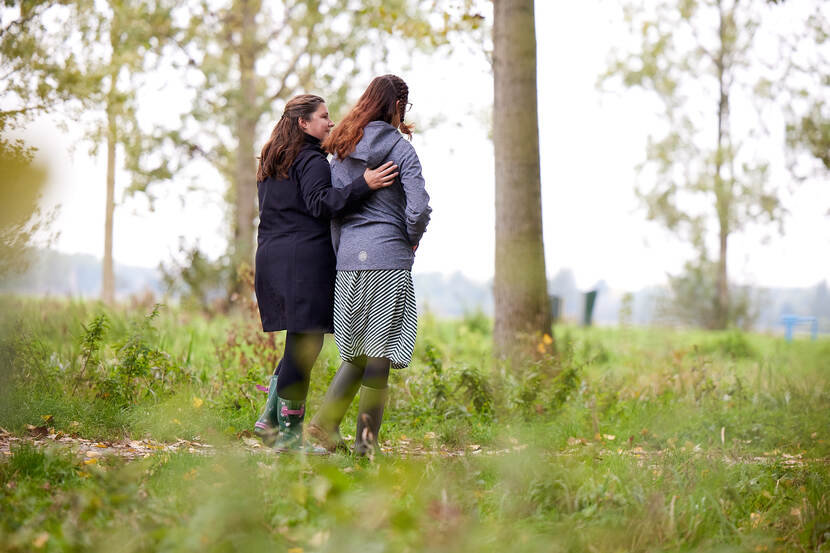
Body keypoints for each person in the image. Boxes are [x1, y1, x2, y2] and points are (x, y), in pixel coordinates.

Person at [253, 93, 398, 452]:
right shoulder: (311, 159)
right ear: (303, 123)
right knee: (307, 343)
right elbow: (321, 204)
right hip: (303, 261)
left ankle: (270, 421)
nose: (330, 123)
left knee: (297, 341)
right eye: (323, 117)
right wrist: (365, 183)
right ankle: (288, 437)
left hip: (271, 258)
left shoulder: (273, 161)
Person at [308, 75, 430, 456]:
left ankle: (325, 425)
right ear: (397, 106)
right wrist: (410, 239)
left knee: (358, 350)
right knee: (379, 352)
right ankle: (365, 446)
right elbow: (419, 208)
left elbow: (335, 208)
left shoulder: (340, 150)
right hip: (388, 259)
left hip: (348, 261)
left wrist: (341, 250)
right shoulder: (401, 151)